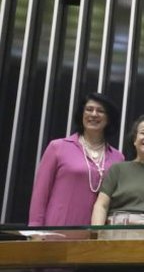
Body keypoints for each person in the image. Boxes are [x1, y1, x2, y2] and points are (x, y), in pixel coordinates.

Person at [29, 92, 124, 226]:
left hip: (96, 236)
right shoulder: (58, 147)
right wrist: (35, 229)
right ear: (82, 115)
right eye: (89, 109)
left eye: (100, 111)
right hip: (56, 230)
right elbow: (40, 193)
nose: (94, 114)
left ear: (109, 118)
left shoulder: (118, 157)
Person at [91, 115, 144, 225]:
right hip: (116, 234)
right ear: (134, 139)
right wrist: (96, 236)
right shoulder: (118, 169)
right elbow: (101, 205)